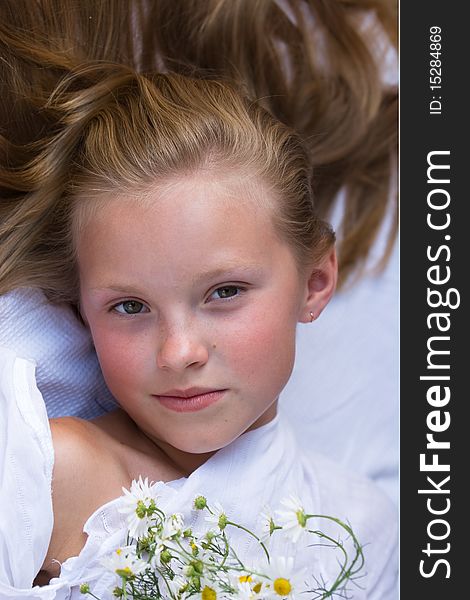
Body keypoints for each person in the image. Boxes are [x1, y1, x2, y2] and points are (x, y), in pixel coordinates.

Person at [0, 64, 397, 598]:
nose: (179, 352)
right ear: (80, 313)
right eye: (129, 305)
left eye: (225, 292)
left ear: (315, 282)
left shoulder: (362, 529)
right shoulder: (45, 474)